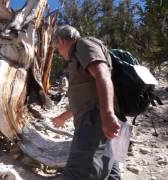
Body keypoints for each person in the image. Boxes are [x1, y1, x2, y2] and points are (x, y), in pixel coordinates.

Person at [52, 25, 121, 180]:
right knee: (111, 174)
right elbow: (88, 94)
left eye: (57, 48)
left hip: (96, 120)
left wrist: (107, 115)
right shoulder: (80, 54)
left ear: (62, 40)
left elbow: (102, 75)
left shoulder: (82, 45)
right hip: (100, 117)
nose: (59, 52)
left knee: (77, 173)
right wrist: (64, 116)